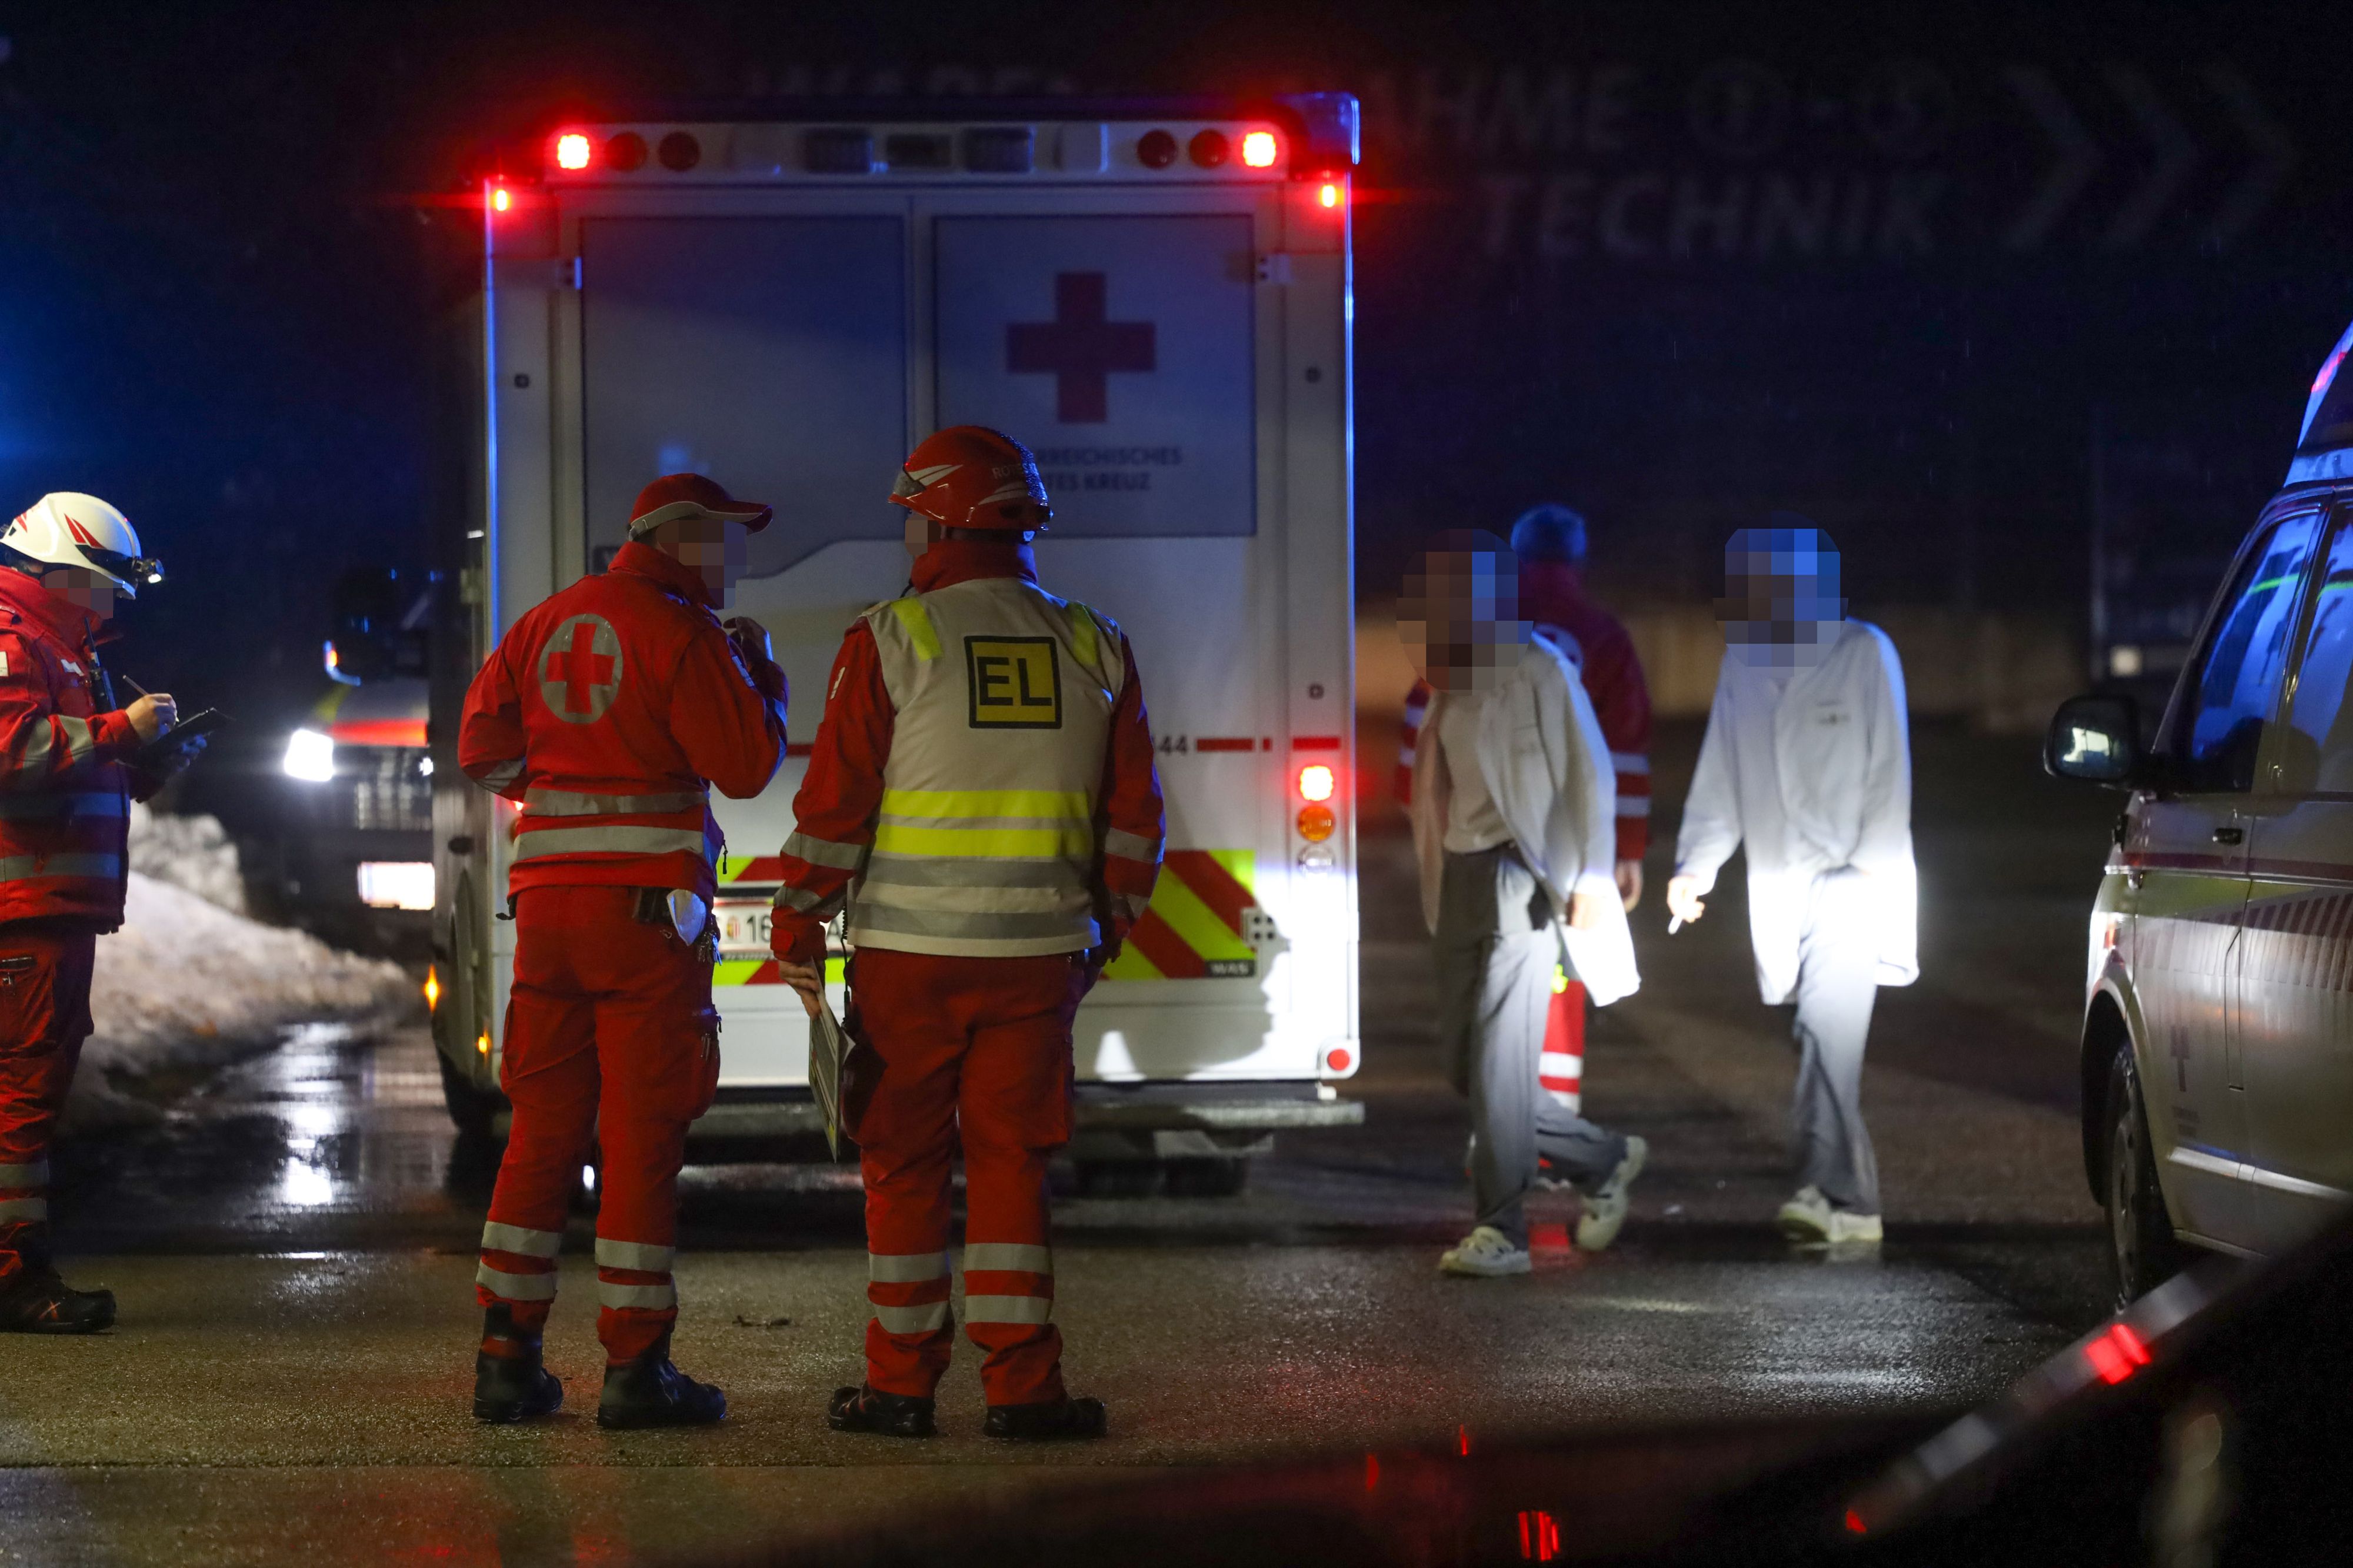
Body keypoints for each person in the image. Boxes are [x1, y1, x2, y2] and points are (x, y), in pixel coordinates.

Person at [769, 425, 1162, 1442]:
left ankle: (899, 1387)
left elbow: (836, 806)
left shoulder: (893, 637)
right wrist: (1106, 928)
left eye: (912, 517)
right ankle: (1024, 1389)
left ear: (937, 522)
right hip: (1038, 962)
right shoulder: (1096, 642)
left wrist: (798, 915)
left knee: (902, 1168)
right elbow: (1134, 821)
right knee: (1012, 1167)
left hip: (908, 962)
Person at [456, 472, 788, 1425]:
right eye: (723, 539)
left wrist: (567, 778)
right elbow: (746, 766)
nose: (732, 560)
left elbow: (483, 749)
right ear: (682, 538)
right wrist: (764, 685)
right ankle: (638, 1371)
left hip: (549, 914)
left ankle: (505, 1359)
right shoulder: (684, 633)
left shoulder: (542, 622)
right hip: (646, 922)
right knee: (641, 1139)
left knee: (540, 1133)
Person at [1399, 529, 1646, 1277]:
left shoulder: (1540, 667)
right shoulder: (1448, 677)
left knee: (1502, 1060)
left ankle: (1500, 1229)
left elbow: (1590, 772)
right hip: (1462, 873)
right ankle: (1602, 1157)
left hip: (1524, 876)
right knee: (1465, 1065)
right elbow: (1428, 779)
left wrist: (1592, 879)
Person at [1665, 519, 1915, 1246]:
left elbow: (1888, 772)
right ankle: (1855, 1205)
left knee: (1824, 1035)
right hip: (1779, 888)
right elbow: (1721, 775)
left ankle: (1823, 1188)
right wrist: (1695, 866)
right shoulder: (1743, 664)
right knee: (1814, 1041)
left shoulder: (1863, 651)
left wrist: (1866, 868)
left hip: (1853, 881)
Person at [0, 493, 189, 1333]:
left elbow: (64, 761)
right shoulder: (13, 639)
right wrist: (119, 731)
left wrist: (144, 761)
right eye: (106, 585)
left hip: (48, 907)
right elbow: (13, 752)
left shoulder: (57, 647)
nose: (114, 604)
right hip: (25, 909)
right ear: (64, 571)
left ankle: (17, 1266)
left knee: (28, 1087)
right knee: (19, 1092)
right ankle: (12, 1276)